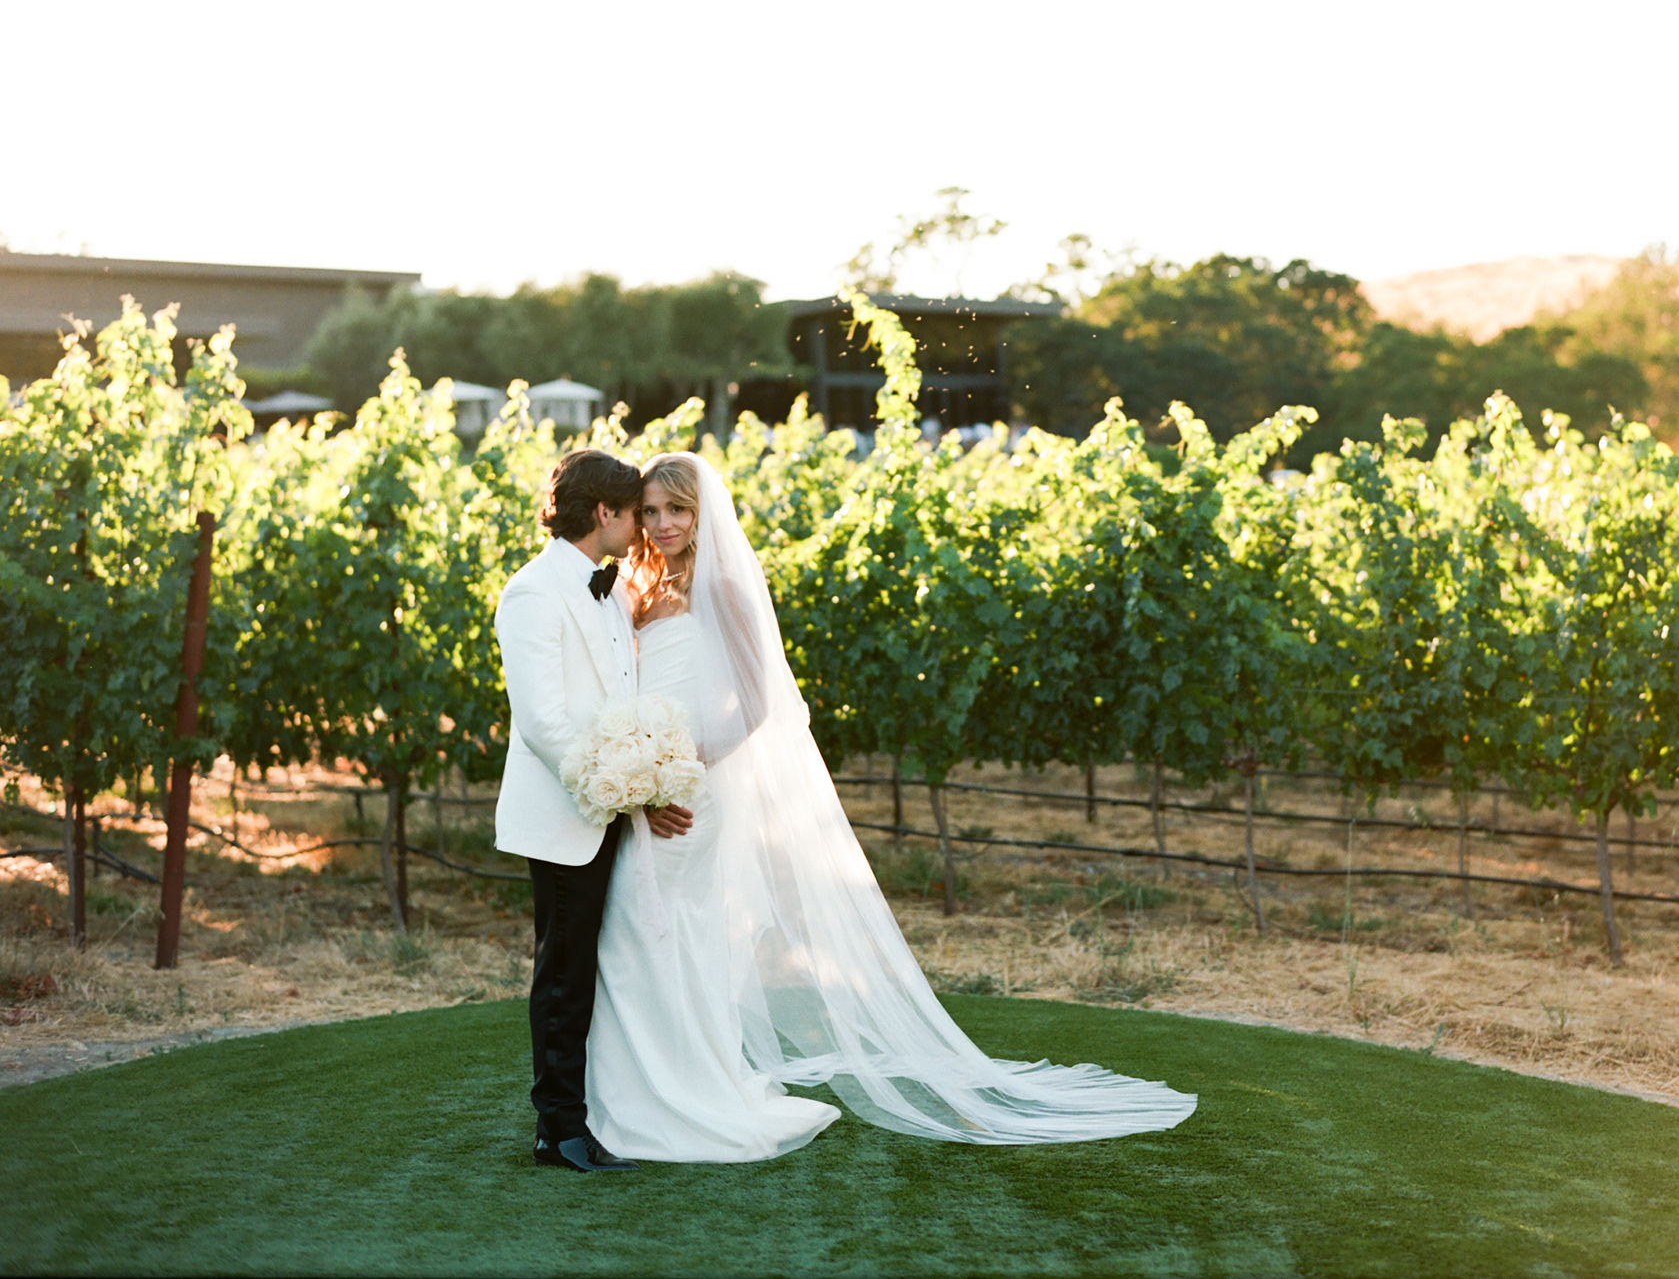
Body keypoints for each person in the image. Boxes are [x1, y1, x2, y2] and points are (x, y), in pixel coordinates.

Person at [581, 451, 1196, 1161]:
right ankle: (657, 1088)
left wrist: (672, 776)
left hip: (687, 796)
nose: (661, 523)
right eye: (651, 510)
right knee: (652, 940)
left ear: (703, 512)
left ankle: (678, 1095)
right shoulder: (639, 584)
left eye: (676, 509)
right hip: (648, 792)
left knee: (646, 930)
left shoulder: (724, 585)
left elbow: (755, 704)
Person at [493, 448, 694, 1173]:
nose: (644, 525)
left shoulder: (609, 590)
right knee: (564, 972)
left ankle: (598, 1113)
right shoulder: (532, 592)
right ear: (603, 512)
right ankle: (558, 1130)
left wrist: (646, 780)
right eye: (635, 511)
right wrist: (628, 786)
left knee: (597, 967)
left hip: (612, 810)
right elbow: (544, 722)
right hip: (564, 810)